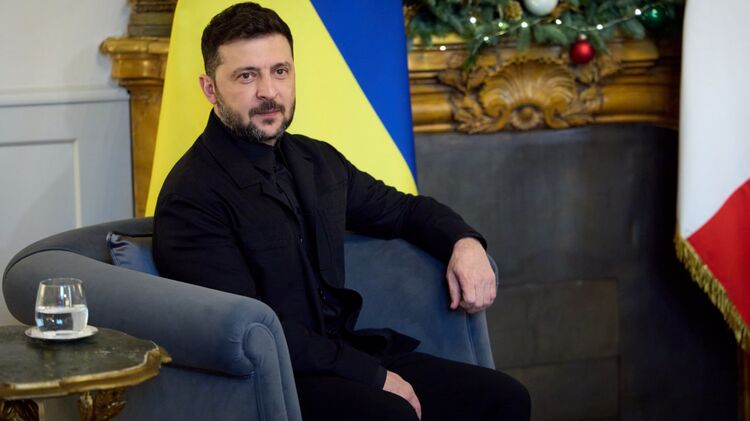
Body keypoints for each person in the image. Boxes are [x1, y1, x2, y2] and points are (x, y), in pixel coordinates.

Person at [153, 2, 530, 420]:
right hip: (273, 379)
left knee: (504, 398)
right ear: (210, 89)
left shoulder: (317, 161)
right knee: (392, 414)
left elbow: (404, 210)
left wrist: (464, 241)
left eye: (280, 71)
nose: (269, 92)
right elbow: (249, 331)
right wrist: (372, 376)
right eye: (247, 76)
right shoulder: (191, 196)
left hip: (345, 352)